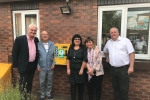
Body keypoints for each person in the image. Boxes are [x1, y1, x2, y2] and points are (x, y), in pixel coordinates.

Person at [103, 27, 135, 100]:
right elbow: (105, 51)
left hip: (123, 69)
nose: (113, 33)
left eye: (115, 32)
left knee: (124, 90)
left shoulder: (126, 41)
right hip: (113, 69)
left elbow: (131, 53)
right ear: (110, 34)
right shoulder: (108, 42)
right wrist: (107, 58)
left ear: (118, 33)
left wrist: (131, 66)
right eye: (111, 32)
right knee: (115, 89)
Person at [12, 24, 39, 95]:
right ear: (28, 30)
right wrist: (15, 66)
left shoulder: (36, 40)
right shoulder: (19, 39)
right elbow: (15, 53)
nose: (33, 32)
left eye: (35, 30)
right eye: (31, 30)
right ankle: (22, 97)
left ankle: (28, 95)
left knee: (30, 82)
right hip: (23, 65)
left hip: (32, 65)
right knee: (23, 83)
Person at [66, 34, 88, 100]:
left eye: (78, 39)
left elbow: (85, 59)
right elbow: (68, 58)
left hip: (80, 70)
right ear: (73, 40)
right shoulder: (71, 47)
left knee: (81, 87)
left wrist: (82, 69)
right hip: (72, 71)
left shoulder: (83, 48)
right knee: (73, 86)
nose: (77, 40)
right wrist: (68, 68)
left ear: (80, 41)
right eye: (75, 39)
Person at [37, 31, 55, 100]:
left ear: (48, 35)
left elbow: (55, 56)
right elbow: (37, 57)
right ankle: (42, 95)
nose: (45, 35)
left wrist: (53, 63)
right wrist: (38, 65)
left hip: (51, 67)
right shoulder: (38, 44)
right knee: (42, 82)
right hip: (41, 67)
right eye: (43, 34)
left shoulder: (52, 44)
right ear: (41, 36)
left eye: (46, 34)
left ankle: (48, 94)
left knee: (49, 82)